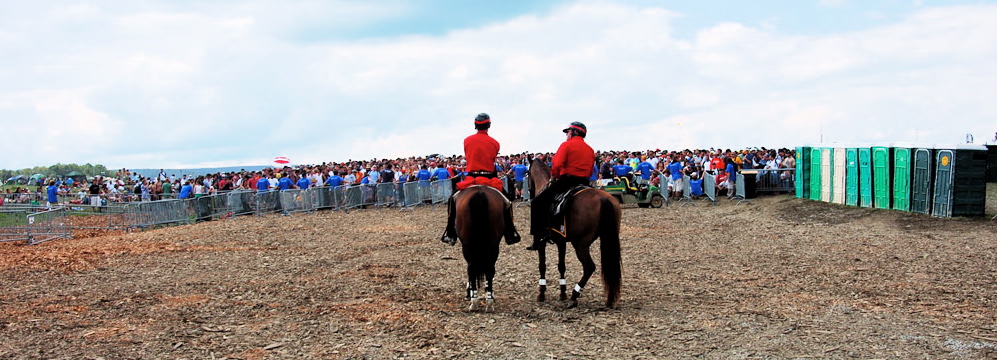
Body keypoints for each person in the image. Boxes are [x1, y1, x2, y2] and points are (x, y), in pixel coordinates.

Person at [440, 113, 522, 246]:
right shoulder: (495, 143)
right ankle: (510, 232)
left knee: (452, 200)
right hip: (489, 179)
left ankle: (450, 232)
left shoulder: (467, 140)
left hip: (471, 178)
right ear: (489, 125)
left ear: (475, 125)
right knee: (507, 202)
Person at [527, 121, 595, 251]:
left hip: (567, 181)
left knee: (537, 202)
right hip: (585, 183)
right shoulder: (590, 149)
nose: (566, 135)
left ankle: (538, 238)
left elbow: (557, 164)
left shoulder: (566, 145)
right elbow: (591, 169)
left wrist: (553, 178)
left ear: (574, 132)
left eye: (568, 132)